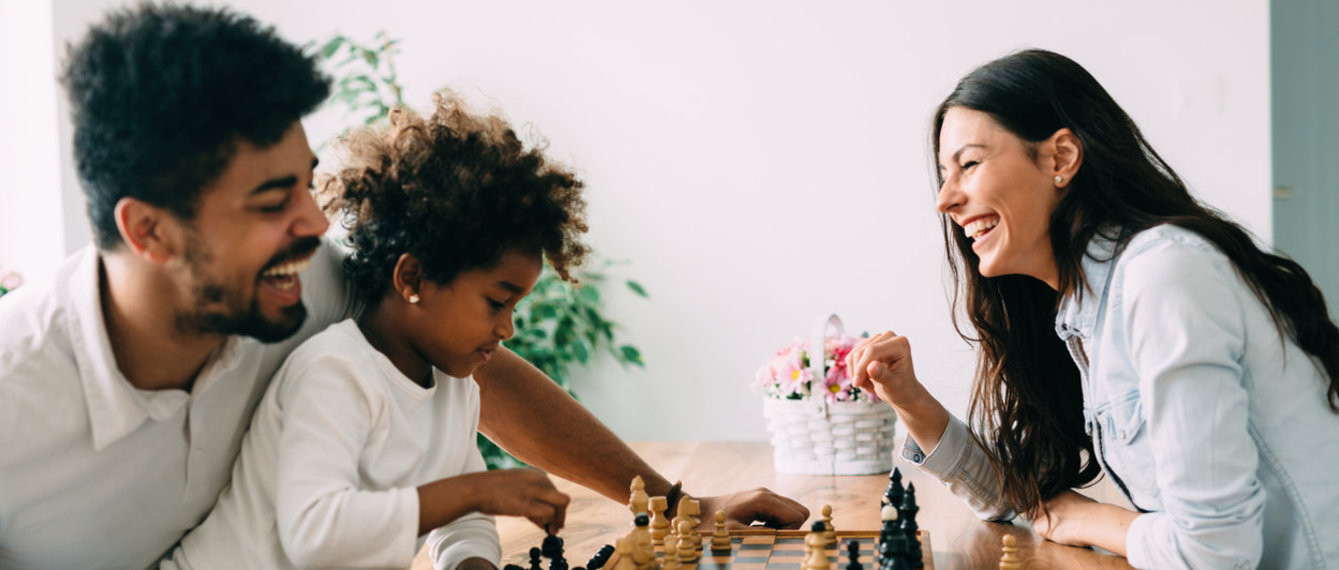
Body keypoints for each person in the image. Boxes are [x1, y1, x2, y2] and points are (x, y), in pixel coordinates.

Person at [0, 5, 806, 569]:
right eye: (273, 201)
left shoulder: (299, 284)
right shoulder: (13, 394)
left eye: (309, 186)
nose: (317, 225)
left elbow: (469, 371)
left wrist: (671, 507)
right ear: (150, 233)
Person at [846, 49, 1339, 569]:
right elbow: (1030, 502)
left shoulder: (1163, 275)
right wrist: (909, 399)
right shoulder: (1082, 307)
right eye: (945, 174)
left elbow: (1214, 554)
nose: (945, 199)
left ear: (1060, 159)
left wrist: (1094, 520)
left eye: (968, 164)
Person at [165, 95, 581, 569]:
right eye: (496, 302)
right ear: (413, 280)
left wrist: (473, 557)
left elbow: (464, 524)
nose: (507, 328)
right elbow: (317, 533)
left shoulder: (455, 390)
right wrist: (476, 490)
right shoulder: (335, 372)